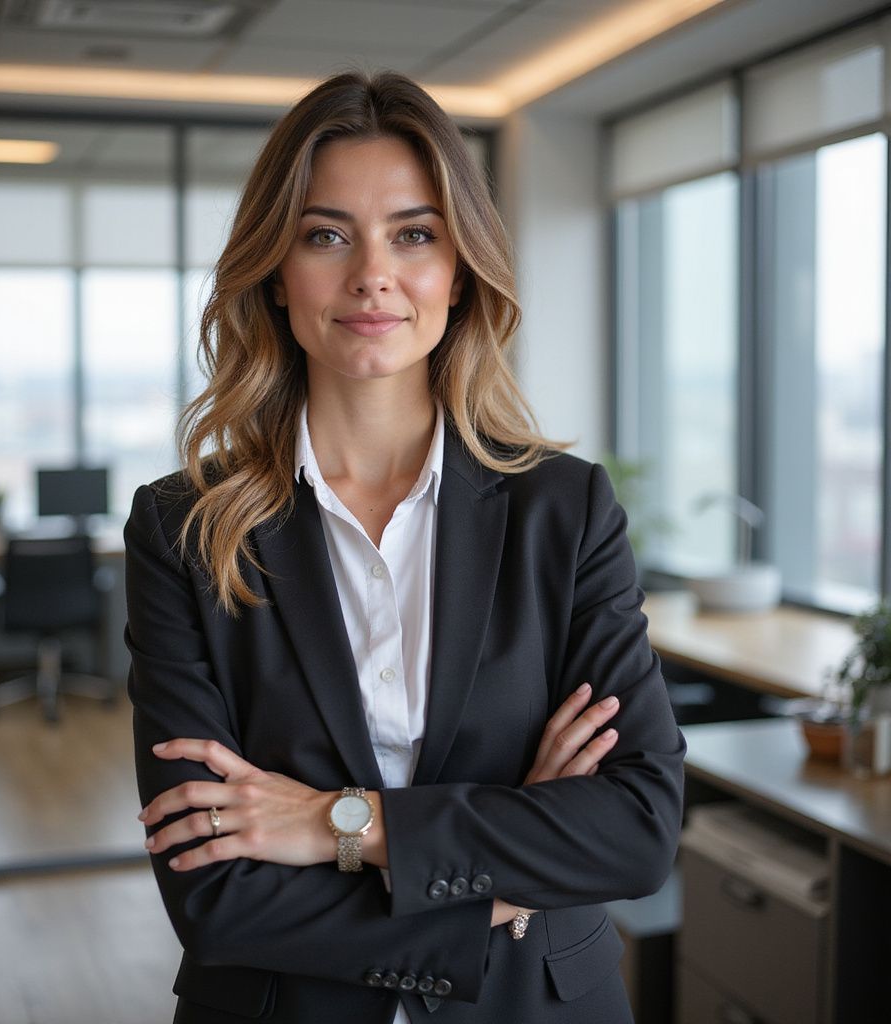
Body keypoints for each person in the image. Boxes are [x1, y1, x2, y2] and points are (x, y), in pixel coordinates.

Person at [124, 70, 685, 1024]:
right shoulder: (184, 527)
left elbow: (634, 830)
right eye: (326, 234)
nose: (371, 274)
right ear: (274, 270)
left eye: (414, 234)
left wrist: (335, 825)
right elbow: (217, 894)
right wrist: (507, 878)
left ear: (459, 269)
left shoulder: (563, 509)